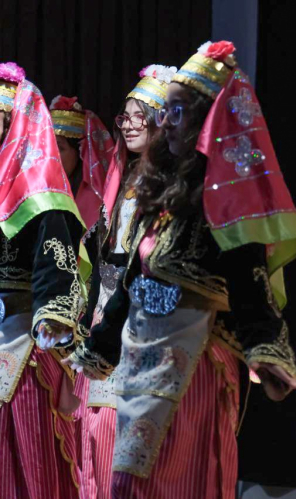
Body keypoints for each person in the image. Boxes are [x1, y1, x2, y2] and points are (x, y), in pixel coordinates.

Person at [66, 40, 296, 497]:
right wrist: (98, 348)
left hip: (195, 365)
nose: (166, 123)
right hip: (142, 362)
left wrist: (266, 351)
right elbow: (132, 282)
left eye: (177, 113)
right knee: (130, 482)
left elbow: (250, 283)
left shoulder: (227, 202)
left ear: (207, 121)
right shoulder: (157, 194)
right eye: (166, 112)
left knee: (182, 482)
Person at [71, 64, 176, 499]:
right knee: (92, 429)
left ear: (160, 123)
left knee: (122, 435)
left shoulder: (168, 185)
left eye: (139, 117)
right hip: (106, 312)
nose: (129, 125)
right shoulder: (124, 179)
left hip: (140, 317)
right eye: (125, 117)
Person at [0, 62, 87, 497]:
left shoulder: (41, 196)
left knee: (24, 462)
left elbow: (57, 267)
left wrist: (52, 317)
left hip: (21, 342)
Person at [49, 95, 115, 230]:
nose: (51, 155)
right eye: (48, 147)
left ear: (80, 152)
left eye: (60, 148)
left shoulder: (93, 202)